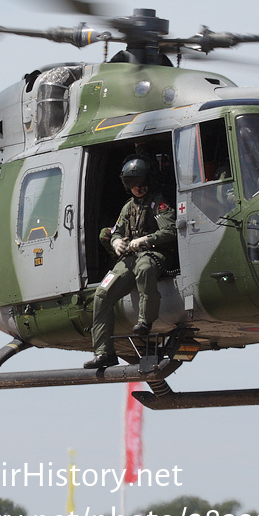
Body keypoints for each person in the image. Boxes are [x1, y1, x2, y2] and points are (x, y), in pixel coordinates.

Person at [85, 156, 177, 369]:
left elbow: (170, 230)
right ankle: (103, 352)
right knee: (102, 294)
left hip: (154, 253)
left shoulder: (158, 202)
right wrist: (116, 241)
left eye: (140, 182)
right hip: (130, 258)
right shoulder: (128, 208)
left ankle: (145, 321)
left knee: (145, 270)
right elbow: (116, 230)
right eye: (131, 183)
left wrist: (146, 239)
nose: (137, 188)